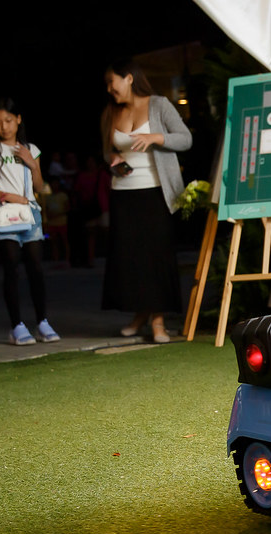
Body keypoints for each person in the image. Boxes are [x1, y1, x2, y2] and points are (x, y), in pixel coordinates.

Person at [100, 57, 192, 343]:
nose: (109, 89)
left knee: (156, 257)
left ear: (128, 78)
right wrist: (112, 159)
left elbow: (185, 139)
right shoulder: (110, 112)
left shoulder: (159, 104)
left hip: (156, 192)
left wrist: (155, 137)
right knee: (130, 259)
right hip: (123, 194)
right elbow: (106, 150)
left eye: (111, 82)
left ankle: (159, 322)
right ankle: (140, 315)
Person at [0, 97, 61, 345]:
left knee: (35, 268)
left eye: (8, 121)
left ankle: (42, 322)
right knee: (11, 267)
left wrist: (33, 165)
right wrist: (5, 194)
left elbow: (40, 186)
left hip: (30, 214)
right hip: (6, 214)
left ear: (18, 119)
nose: (4, 127)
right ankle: (16, 326)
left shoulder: (30, 148)